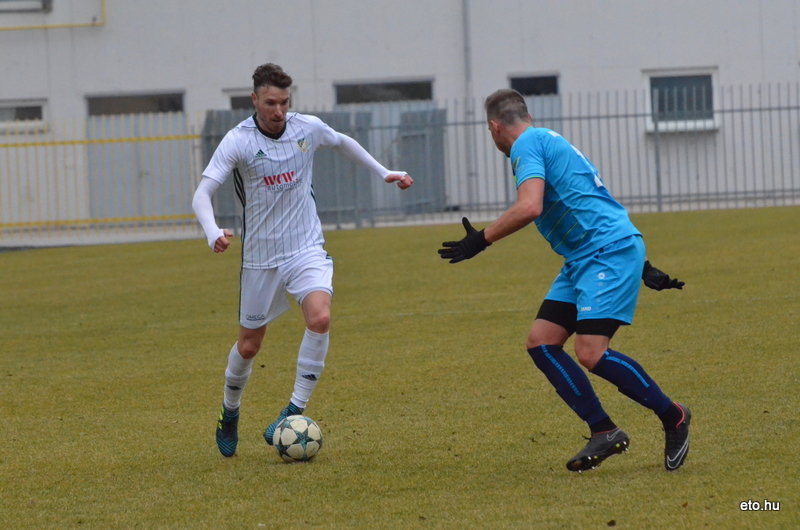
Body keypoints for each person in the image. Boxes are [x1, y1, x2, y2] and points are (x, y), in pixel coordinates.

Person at [438, 89, 690, 472]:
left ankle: (673, 415)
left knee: (590, 352)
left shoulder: (526, 145)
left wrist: (480, 240)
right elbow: (590, 199)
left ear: (494, 127)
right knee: (542, 343)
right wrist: (642, 263)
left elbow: (530, 205)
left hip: (606, 252)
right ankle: (603, 430)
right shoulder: (547, 140)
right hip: (588, 256)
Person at [193, 63, 413, 457]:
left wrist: (384, 172)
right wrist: (213, 233)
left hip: (305, 248)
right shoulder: (238, 140)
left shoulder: (305, 128)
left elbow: (342, 141)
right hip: (260, 260)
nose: (278, 111)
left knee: (321, 318)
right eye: (270, 103)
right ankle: (229, 412)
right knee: (248, 346)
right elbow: (202, 193)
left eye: (284, 102)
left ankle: (292, 411)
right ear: (255, 100)